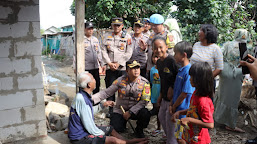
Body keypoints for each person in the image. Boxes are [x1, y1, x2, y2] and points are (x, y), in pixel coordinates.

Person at [68, 71, 148, 144]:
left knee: (110, 128)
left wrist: (103, 105)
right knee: (112, 140)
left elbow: (88, 111)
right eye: (93, 79)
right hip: (80, 137)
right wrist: (102, 134)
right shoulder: (82, 99)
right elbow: (90, 127)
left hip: (133, 112)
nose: (95, 80)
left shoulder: (83, 96)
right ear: (89, 85)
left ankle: (126, 142)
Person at [92, 60, 151, 138]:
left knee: (145, 113)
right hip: (120, 110)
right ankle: (122, 124)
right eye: (133, 68)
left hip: (135, 111)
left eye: (137, 68)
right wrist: (90, 99)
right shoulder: (120, 80)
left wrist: (130, 112)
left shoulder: (145, 83)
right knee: (116, 128)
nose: (136, 70)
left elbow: (144, 101)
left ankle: (139, 129)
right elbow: (107, 92)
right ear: (127, 71)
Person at [214, 29, 251, 133]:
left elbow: (219, 56)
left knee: (222, 94)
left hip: (225, 71)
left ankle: (218, 118)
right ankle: (230, 124)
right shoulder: (247, 47)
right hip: (237, 73)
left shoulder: (227, 44)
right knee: (233, 98)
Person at [172, 62, 215, 144]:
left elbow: (210, 124)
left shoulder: (203, 101)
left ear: (200, 80)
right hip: (191, 136)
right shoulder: (195, 93)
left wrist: (189, 119)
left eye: (192, 77)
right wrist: (181, 112)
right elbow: (194, 110)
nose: (189, 79)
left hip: (200, 140)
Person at [101, 17, 133, 116]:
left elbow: (129, 52)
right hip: (110, 68)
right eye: (114, 25)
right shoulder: (106, 36)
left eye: (118, 25)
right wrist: (109, 63)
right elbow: (103, 51)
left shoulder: (127, 37)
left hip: (122, 68)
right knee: (110, 89)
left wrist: (119, 63)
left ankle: (121, 110)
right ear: (112, 25)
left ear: (122, 26)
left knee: (123, 90)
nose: (116, 27)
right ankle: (110, 111)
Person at [153, 37, 178, 144]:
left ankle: (172, 140)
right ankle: (170, 138)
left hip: (172, 97)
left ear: (166, 47)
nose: (158, 50)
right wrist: (160, 95)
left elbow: (178, 77)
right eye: (155, 48)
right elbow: (162, 80)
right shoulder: (158, 62)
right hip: (164, 96)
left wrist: (172, 88)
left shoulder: (172, 61)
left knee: (169, 120)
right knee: (161, 116)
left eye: (161, 47)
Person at [73, 22, 104, 94]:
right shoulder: (80, 40)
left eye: (92, 29)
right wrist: (75, 66)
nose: (90, 31)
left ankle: (95, 102)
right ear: (84, 29)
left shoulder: (95, 40)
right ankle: (85, 101)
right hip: (86, 68)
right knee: (85, 86)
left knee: (97, 84)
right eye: (88, 29)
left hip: (95, 67)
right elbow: (75, 54)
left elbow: (99, 52)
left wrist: (102, 64)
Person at [145, 14, 179, 79]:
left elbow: (170, 54)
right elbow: (149, 50)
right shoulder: (152, 35)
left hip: (162, 68)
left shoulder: (168, 35)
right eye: (152, 25)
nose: (153, 27)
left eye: (155, 25)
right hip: (150, 67)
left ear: (162, 24)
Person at [190, 24, 223, 90]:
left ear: (207, 34)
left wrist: (206, 79)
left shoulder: (215, 49)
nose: (199, 32)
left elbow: (219, 68)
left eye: (201, 30)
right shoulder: (196, 45)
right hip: (193, 81)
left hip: (206, 84)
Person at [170, 41, 195, 118]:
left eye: (176, 53)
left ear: (184, 55)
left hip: (183, 109)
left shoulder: (188, 71)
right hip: (177, 107)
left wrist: (174, 106)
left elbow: (184, 93)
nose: (174, 56)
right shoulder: (181, 69)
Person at [149, 53, 161, 136]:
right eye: (155, 57)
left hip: (163, 95)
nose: (156, 59)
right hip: (154, 94)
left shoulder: (164, 69)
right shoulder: (152, 70)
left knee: (163, 113)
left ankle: (164, 129)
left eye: (158, 57)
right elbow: (151, 82)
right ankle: (159, 128)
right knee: (157, 112)